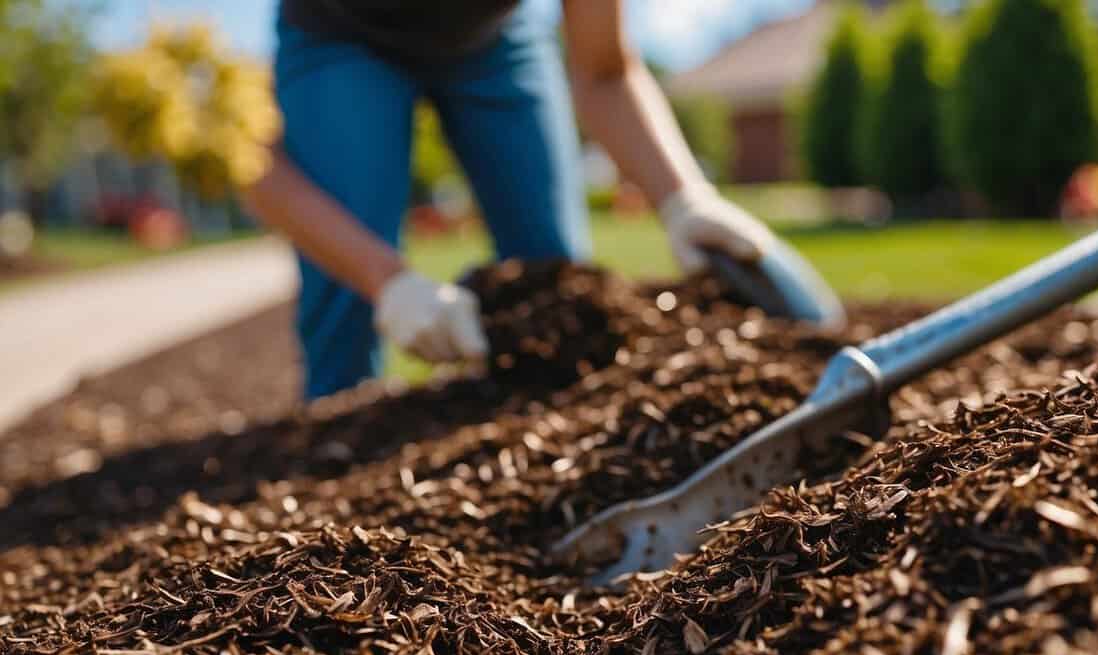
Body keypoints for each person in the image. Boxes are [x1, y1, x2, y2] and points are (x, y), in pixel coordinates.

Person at [245, 0, 779, 400]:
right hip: (336, 37)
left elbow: (606, 73)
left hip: (494, 40)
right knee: (345, 310)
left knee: (557, 289)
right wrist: (385, 280)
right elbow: (244, 155)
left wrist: (684, 199)